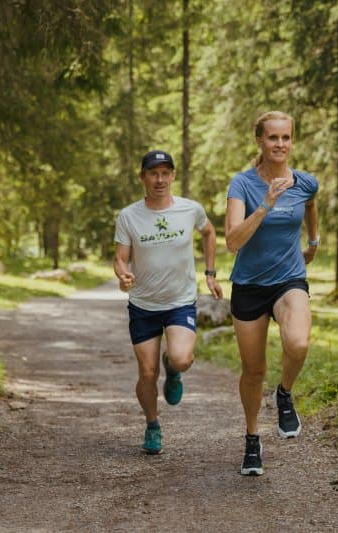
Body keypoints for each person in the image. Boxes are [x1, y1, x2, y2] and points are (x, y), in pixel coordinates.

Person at [224, 111, 320, 476]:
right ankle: (252, 439)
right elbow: (233, 241)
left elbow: (311, 204)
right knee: (252, 371)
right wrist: (265, 203)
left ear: (292, 141)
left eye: (285, 138)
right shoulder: (242, 185)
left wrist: (312, 241)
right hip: (248, 285)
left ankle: (284, 393)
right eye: (272, 138)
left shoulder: (305, 182)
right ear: (259, 142)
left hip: (288, 279)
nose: (280, 145)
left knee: (297, 344)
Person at [114, 149, 223, 455]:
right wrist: (123, 274)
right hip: (144, 305)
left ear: (173, 175)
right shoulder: (129, 216)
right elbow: (120, 258)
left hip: (180, 301)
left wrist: (211, 273)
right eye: (153, 173)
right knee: (147, 374)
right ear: (143, 177)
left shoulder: (190, 210)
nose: (159, 179)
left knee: (182, 359)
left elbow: (209, 231)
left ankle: (172, 369)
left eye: (165, 173)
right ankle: (152, 425)